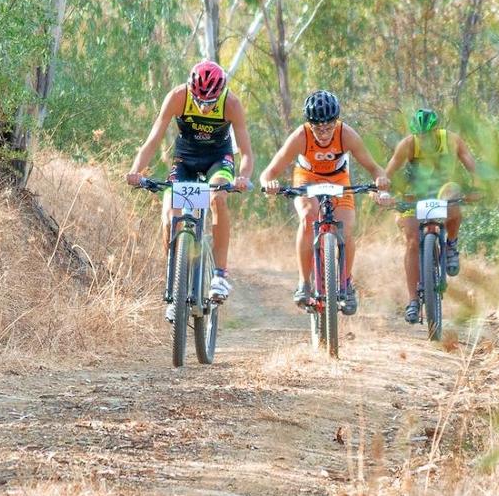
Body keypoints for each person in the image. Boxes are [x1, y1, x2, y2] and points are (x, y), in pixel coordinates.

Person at [125, 60, 254, 310]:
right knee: (169, 212)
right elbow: (153, 139)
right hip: (186, 159)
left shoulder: (232, 104)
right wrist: (135, 171)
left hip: (219, 159)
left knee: (217, 197)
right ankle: (175, 284)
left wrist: (243, 177)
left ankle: (219, 275)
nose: (204, 108)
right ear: (190, 91)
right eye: (199, 102)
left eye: (210, 103)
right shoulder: (177, 97)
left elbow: (247, 153)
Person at [259, 90, 388, 315]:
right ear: (310, 124)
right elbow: (268, 172)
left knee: (346, 229)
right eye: (318, 128)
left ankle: (346, 284)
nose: (324, 133)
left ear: (336, 122)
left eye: (329, 127)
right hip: (307, 179)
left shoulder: (346, 134)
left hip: (339, 179)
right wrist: (269, 184)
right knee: (309, 217)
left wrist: (380, 180)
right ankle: (304, 283)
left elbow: (374, 167)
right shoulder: (301, 136)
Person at [377, 108, 477, 324]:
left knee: (455, 199)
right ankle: (413, 300)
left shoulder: (451, 140)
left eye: (429, 135)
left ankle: (451, 244)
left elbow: (471, 165)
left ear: (437, 130)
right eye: (421, 136)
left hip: (444, 190)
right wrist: (383, 192)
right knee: (412, 241)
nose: (426, 140)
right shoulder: (408, 144)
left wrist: (480, 186)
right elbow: (388, 173)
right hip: (415, 194)